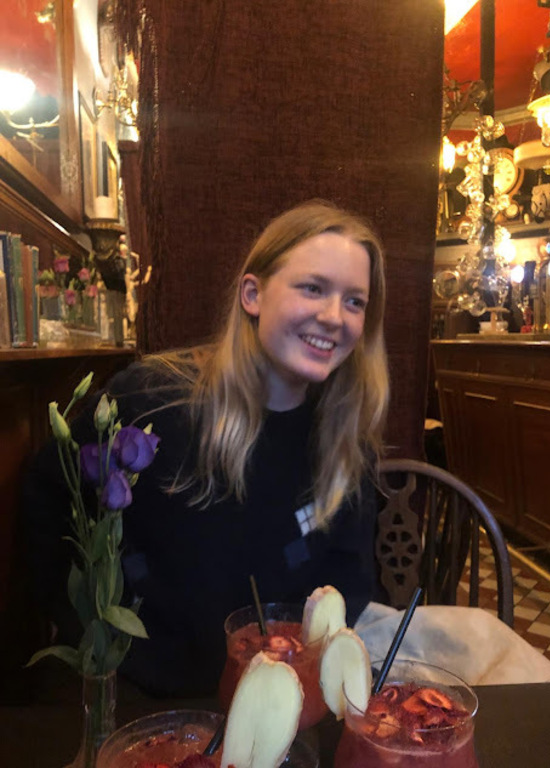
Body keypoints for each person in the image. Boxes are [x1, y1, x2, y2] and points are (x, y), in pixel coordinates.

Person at [25, 199, 389, 697]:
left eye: (355, 302)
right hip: (143, 698)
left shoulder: (346, 439)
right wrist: (96, 640)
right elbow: (49, 503)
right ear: (253, 294)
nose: (334, 317)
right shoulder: (153, 399)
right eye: (313, 288)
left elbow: (350, 577)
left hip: (280, 698)